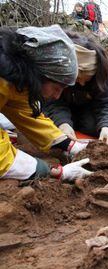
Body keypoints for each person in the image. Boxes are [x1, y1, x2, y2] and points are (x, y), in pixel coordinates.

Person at [0, 25, 92, 181]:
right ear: (39, 74)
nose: (57, 96)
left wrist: (70, 145)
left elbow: (27, 114)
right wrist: (53, 171)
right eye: (57, 87)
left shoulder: (14, 79)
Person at [44, 32, 108, 146]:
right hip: (61, 106)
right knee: (51, 129)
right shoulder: (58, 69)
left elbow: (107, 103)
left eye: (87, 80)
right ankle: (68, 123)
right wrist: (63, 123)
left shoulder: (102, 72)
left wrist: (106, 127)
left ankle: (77, 124)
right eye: (78, 79)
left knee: (93, 127)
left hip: (87, 108)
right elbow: (53, 102)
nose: (82, 84)